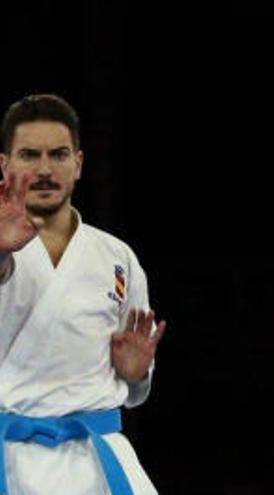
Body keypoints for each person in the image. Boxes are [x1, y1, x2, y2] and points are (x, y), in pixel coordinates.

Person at [0, 94, 165, 494]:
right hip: (9, 458)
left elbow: (135, 388)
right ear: (5, 165)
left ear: (78, 163)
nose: (44, 169)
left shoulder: (117, 257)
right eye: (28, 155)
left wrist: (136, 373)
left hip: (94, 457)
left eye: (58, 154)